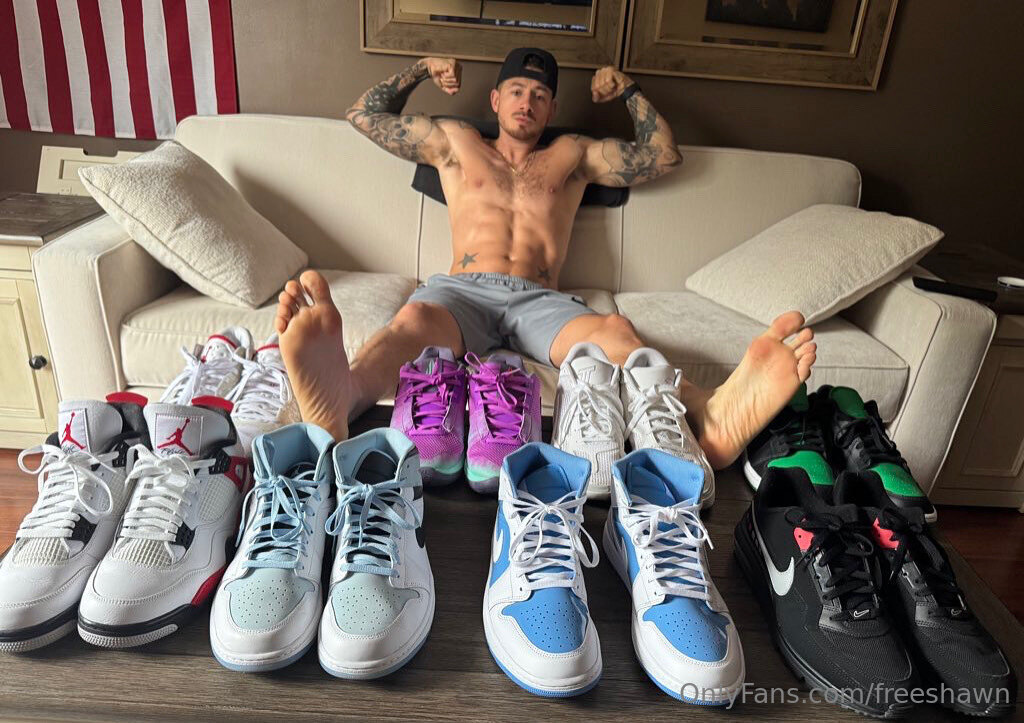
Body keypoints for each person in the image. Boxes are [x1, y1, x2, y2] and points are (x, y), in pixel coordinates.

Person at [274, 48, 816, 468]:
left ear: (552, 108)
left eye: (539, 95)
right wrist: (421, 68)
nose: (527, 102)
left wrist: (628, 90)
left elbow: (664, 155)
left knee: (614, 331)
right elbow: (362, 115)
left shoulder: (571, 155)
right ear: (495, 99)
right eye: (516, 90)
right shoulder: (455, 142)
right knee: (411, 320)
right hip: (461, 291)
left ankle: (710, 416)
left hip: (540, 299)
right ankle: (342, 396)